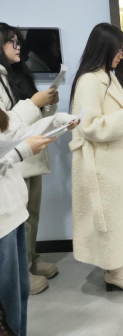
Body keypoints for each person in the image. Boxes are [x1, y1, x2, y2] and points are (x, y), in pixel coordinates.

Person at [69, 23, 123, 292]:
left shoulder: (106, 76)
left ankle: (117, 266)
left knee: (118, 215)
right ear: (103, 47)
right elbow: (90, 126)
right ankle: (113, 271)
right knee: (110, 218)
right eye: (118, 50)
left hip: (114, 159)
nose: (121, 55)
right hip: (102, 163)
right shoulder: (90, 80)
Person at [0, 107, 78, 336]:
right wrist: (21, 152)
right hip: (2, 223)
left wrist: (56, 122)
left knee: (18, 294)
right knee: (7, 302)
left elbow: (16, 131)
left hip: (13, 214)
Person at [0, 22, 62, 295]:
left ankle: (31, 260)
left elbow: (27, 116)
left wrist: (47, 105)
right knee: (20, 219)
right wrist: (34, 103)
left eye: (19, 42)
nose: (18, 47)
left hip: (30, 156)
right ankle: (21, 271)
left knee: (32, 215)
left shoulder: (15, 73)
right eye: (12, 42)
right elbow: (7, 127)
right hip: (13, 160)